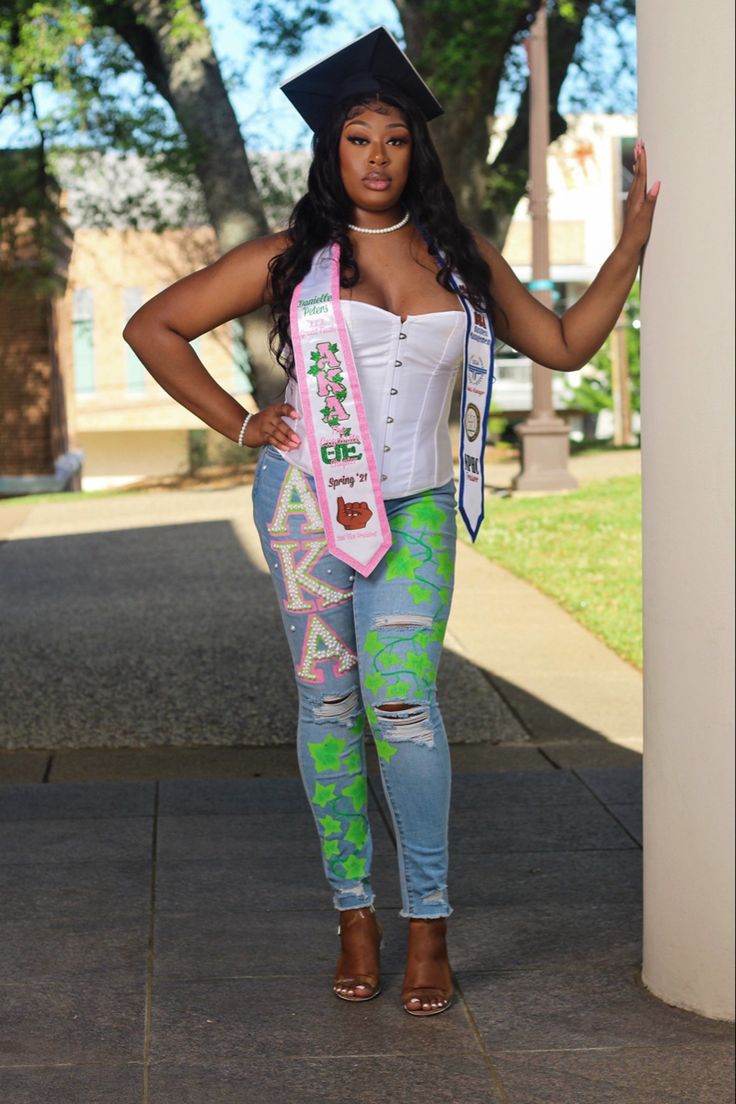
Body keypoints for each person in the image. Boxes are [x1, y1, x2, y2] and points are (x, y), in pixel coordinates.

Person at [123, 26, 659, 1017]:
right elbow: (152, 326)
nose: (376, 156)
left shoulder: (461, 257)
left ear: (419, 151)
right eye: (357, 138)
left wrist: (628, 246)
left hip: (412, 508)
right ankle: (352, 912)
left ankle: (427, 924)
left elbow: (566, 343)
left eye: (395, 138)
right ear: (333, 152)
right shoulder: (293, 258)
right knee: (328, 704)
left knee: (403, 701)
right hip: (304, 506)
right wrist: (241, 421)